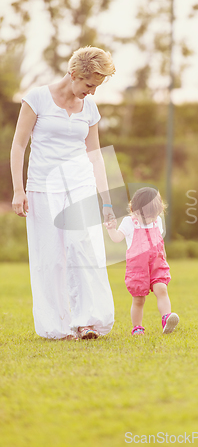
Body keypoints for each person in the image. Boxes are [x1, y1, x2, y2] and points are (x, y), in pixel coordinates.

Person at [10, 46, 116, 340]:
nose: (92, 93)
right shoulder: (37, 99)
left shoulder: (90, 109)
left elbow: (95, 155)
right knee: (52, 256)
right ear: (73, 74)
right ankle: (58, 327)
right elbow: (19, 145)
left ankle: (86, 322)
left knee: (83, 249)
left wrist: (108, 201)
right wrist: (19, 190)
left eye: (97, 87)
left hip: (80, 185)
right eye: (89, 85)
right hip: (44, 186)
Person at [104, 187, 179, 336]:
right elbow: (117, 238)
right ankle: (137, 327)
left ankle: (166, 318)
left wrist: (164, 257)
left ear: (158, 212)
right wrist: (111, 229)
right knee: (139, 299)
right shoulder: (129, 222)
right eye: (143, 215)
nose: (147, 219)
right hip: (137, 268)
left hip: (157, 265)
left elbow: (159, 241)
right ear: (134, 209)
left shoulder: (157, 221)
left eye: (151, 216)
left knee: (161, 289)